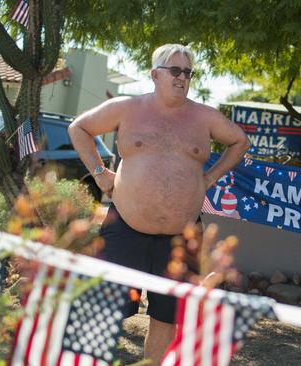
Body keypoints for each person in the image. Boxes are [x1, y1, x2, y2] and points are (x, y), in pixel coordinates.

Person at [68, 44, 249, 364]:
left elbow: (240, 142)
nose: (182, 78)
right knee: (104, 310)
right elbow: (78, 128)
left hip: (182, 238)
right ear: (155, 74)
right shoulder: (127, 108)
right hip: (125, 228)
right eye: (175, 71)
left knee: (167, 319)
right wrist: (99, 174)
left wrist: (209, 179)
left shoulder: (205, 117)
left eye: (188, 73)